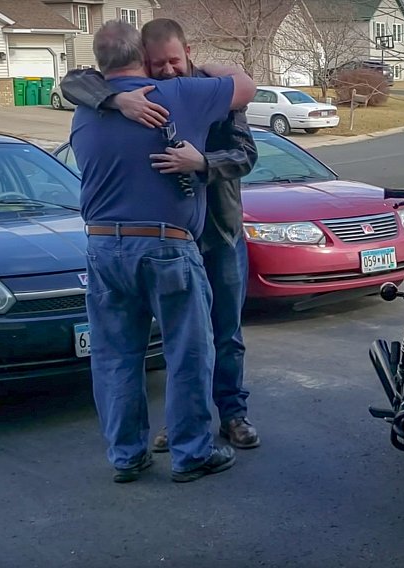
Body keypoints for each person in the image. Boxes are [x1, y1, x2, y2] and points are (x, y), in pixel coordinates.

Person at [61, 18, 261, 451]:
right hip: (168, 241)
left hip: (217, 231)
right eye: (158, 64)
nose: (168, 70)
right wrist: (118, 100)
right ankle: (185, 427)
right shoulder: (136, 95)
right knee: (183, 339)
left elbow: (246, 155)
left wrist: (202, 163)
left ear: (188, 52)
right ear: (142, 64)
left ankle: (233, 414)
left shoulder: (206, 90)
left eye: (174, 60)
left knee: (223, 331)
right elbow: (75, 80)